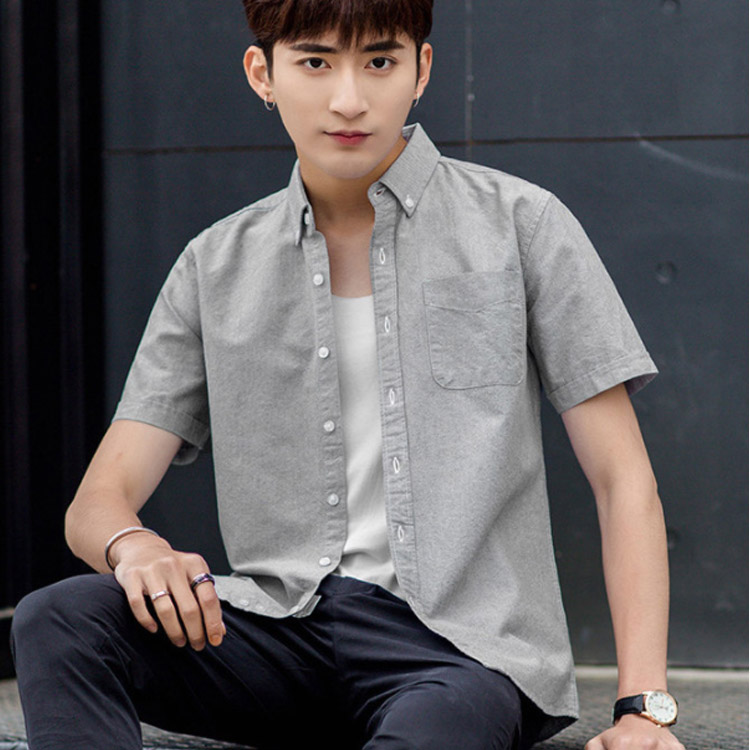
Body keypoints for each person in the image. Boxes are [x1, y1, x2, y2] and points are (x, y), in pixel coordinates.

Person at [11, 1, 685, 748]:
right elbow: (96, 504)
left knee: (435, 725)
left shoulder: (520, 223)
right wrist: (133, 546)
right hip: (278, 632)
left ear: (421, 69)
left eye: (380, 61)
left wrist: (642, 708)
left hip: (455, 654)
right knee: (58, 619)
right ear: (262, 74)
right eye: (315, 61)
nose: (349, 99)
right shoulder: (214, 265)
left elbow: (623, 480)